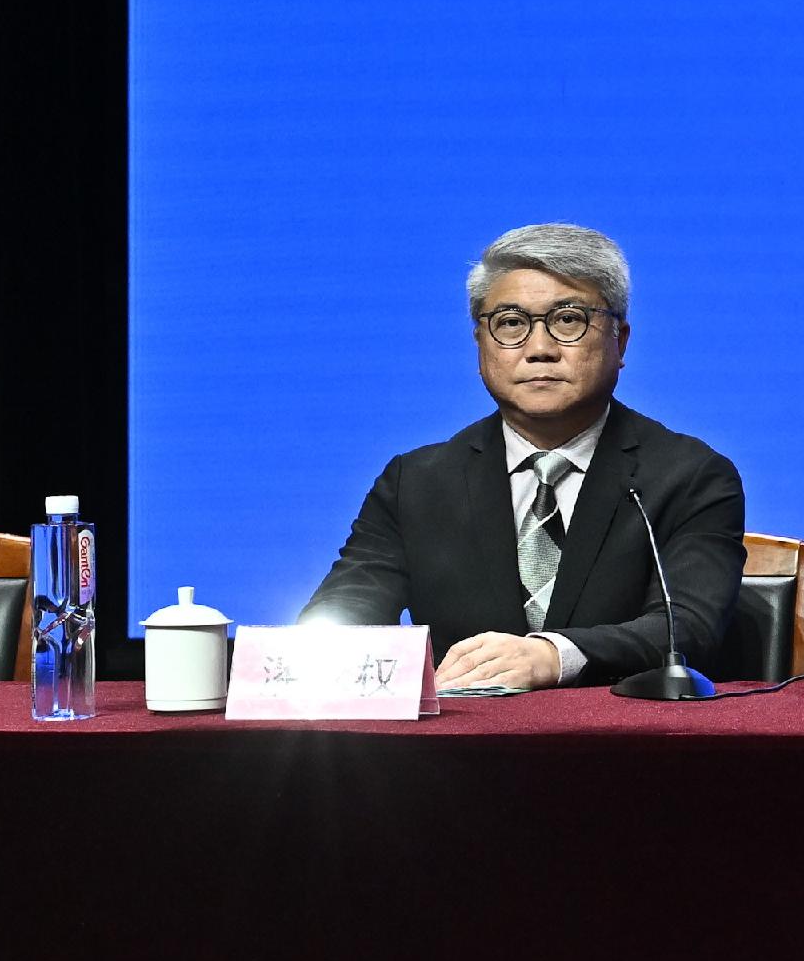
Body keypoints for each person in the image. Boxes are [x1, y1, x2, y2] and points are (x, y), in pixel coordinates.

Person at [301, 223, 746, 689]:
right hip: (457, 750)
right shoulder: (416, 483)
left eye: (569, 320)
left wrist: (552, 655)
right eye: (511, 322)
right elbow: (345, 612)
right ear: (481, 345)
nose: (539, 349)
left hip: (621, 746)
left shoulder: (690, 476)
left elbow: (687, 629)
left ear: (621, 341)